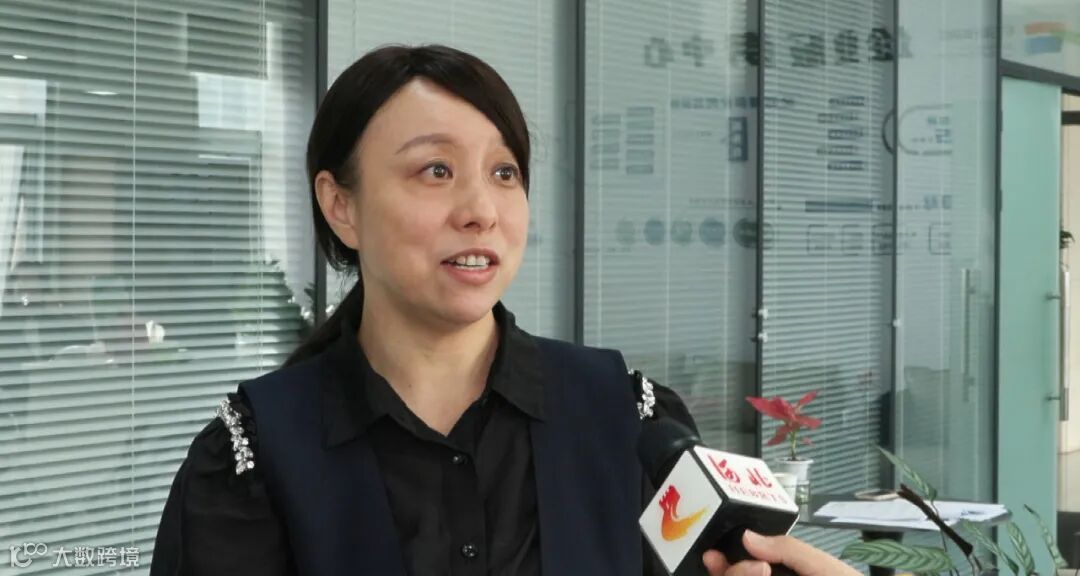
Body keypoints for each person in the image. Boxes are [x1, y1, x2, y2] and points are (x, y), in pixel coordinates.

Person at [149, 44, 860, 576]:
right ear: (341, 206)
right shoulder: (253, 458)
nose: (481, 211)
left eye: (504, 172)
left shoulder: (628, 421)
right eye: (436, 170)